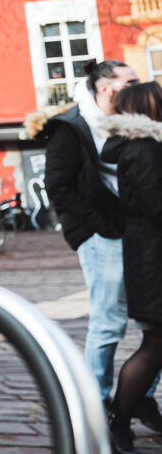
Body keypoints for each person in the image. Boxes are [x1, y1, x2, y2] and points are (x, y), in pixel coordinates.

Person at [42, 59, 162, 428]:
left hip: (136, 232)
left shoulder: (133, 127)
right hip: (101, 234)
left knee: (155, 324)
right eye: (131, 81)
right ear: (106, 88)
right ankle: (95, 408)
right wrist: (98, 226)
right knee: (108, 322)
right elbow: (57, 185)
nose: (140, 86)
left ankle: (139, 398)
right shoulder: (72, 125)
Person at [99, 81, 162, 454]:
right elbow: (157, 207)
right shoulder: (143, 150)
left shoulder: (142, 147)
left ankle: (127, 410)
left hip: (150, 257)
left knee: (156, 346)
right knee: (155, 346)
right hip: (154, 261)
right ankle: (118, 419)